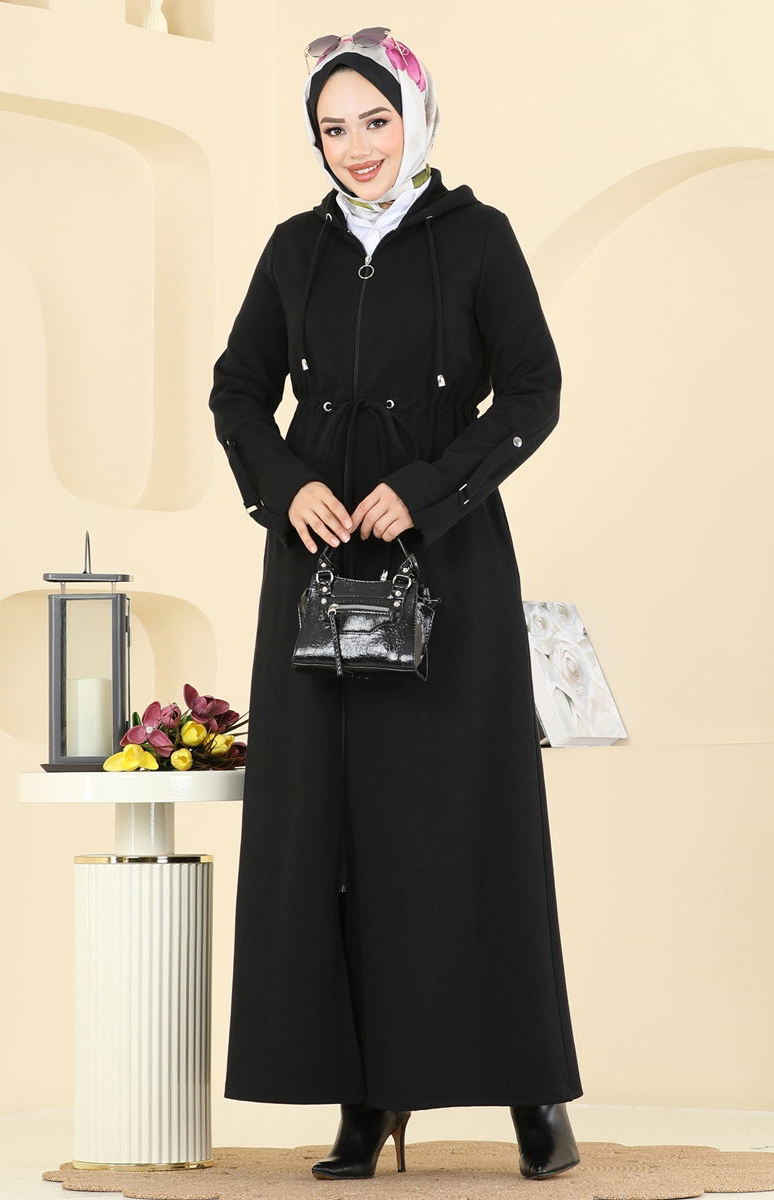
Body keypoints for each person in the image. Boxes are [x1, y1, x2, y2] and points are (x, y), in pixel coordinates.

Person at [208, 28, 584, 1183]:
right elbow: (235, 392)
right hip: (318, 568)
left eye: (375, 120)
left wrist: (424, 491)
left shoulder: (478, 238)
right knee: (329, 834)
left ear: (414, 117)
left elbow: (532, 391)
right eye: (332, 128)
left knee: (467, 824)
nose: (356, 146)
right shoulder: (293, 249)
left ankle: (530, 1095)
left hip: (446, 566)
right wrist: (285, 486)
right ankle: (362, 1103)